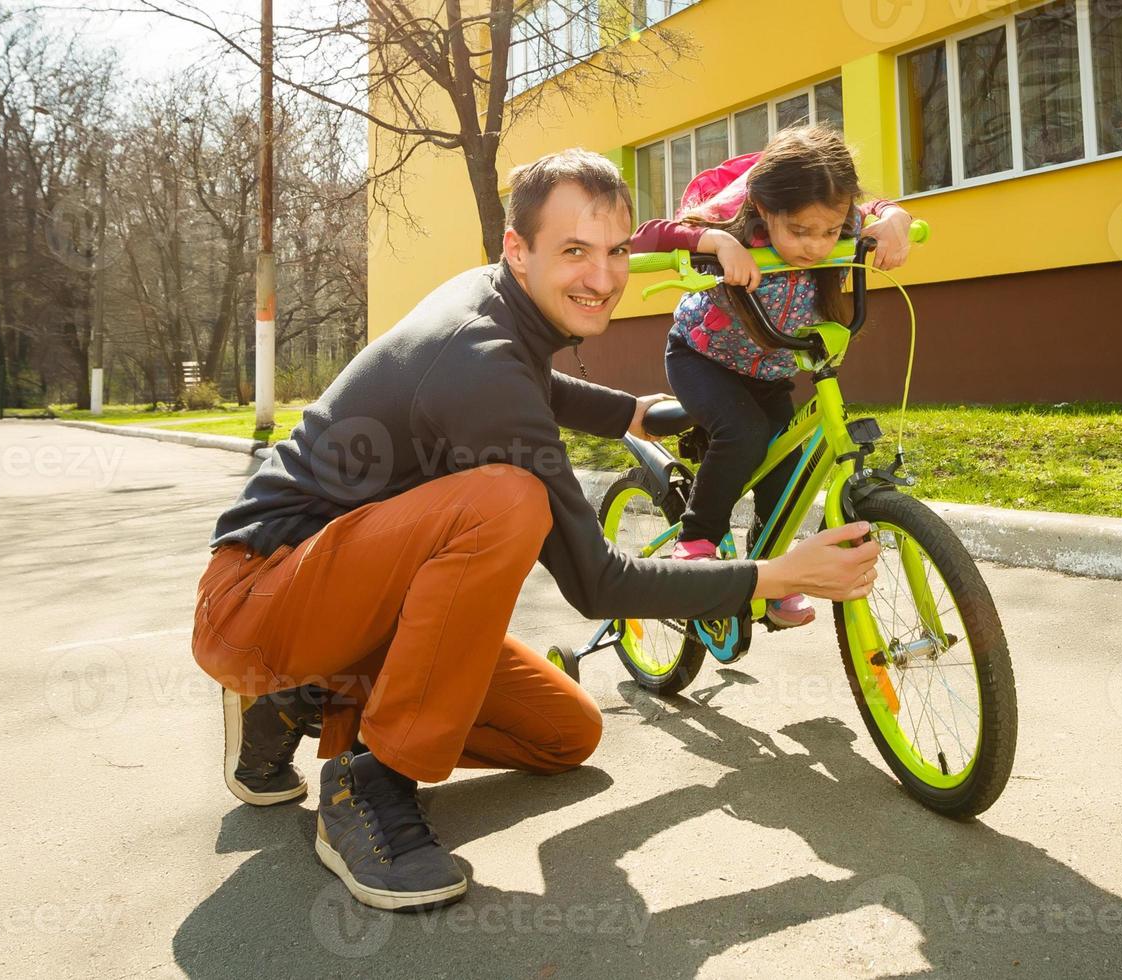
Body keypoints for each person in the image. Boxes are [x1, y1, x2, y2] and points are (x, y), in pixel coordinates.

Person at [192, 148, 881, 913]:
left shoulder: (492, 304)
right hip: (257, 598)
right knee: (509, 503)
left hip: (355, 604)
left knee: (565, 735)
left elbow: (537, 383)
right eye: (574, 252)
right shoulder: (478, 361)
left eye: (618, 250)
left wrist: (635, 413)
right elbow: (598, 584)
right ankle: (368, 780)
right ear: (518, 250)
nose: (604, 276)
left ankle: (310, 694)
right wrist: (779, 575)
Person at [631, 127, 914, 629]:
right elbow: (646, 236)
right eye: (800, 232)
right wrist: (713, 240)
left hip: (770, 368)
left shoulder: (838, 212)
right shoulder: (733, 218)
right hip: (703, 358)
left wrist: (895, 219)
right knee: (744, 436)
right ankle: (695, 541)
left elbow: (878, 210)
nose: (817, 246)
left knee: (787, 468)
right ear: (763, 209)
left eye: (829, 233)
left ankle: (772, 573)